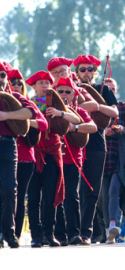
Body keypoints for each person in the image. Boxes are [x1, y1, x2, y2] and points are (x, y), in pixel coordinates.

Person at [26, 71, 80, 248]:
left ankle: (49, 233)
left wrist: (59, 113)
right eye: (40, 83)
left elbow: (77, 119)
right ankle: (36, 235)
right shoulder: (29, 103)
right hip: (34, 151)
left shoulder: (58, 103)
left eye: (47, 83)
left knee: (50, 195)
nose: (44, 86)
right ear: (33, 86)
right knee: (33, 197)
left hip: (53, 152)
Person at [73, 55, 118, 245]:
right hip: (74, 143)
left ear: (95, 72)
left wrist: (97, 105)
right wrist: (85, 105)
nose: (86, 73)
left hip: (96, 145)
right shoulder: (71, 89)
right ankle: (70, 230)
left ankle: (86, 232)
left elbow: (114, 112)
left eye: (90, 69)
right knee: (72, 192)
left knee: (92, 191)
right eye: (82, 69)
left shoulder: (104, 90)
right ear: (77, 73)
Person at [7, 69, 48, 240]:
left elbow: (43, 124)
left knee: (18, 195)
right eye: (12, 82)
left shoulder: (27, 103)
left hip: (25, 158)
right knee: (7, 195)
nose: (16, 85)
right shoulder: (5, 102)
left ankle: (14, 234)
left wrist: (19, 120)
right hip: (6, 156)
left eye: (19, 82)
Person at [0, 62, 38, 248]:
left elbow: (30, 112)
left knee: (9, 189)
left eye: (2, 75)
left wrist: (6, 115)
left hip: (8, 145)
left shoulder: (13, 97)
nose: (0, 79)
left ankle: (9, 232)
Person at [55, 77, 97, 245]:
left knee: (72, 196)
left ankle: (74, 233)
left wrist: (74, 127)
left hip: (72, 161)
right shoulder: (49, 109)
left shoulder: (79, 110)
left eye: (68, 92)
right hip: (53, 159)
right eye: (60, 92)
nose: (64, 94)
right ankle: (56, 234)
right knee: (54, 197)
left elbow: (93, 127)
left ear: (74, 95)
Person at [102, 77, 125, 243]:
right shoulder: (98, 108)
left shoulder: (123, 108)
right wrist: (105, 132)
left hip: (120, 156)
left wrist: (123, 129)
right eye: (106, 89)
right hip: (102, 156)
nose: (110, 91)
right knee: (103, 196)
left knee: (115, 189)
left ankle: (113, 225)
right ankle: (106, 230)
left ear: (116, 91)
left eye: (112, 89)